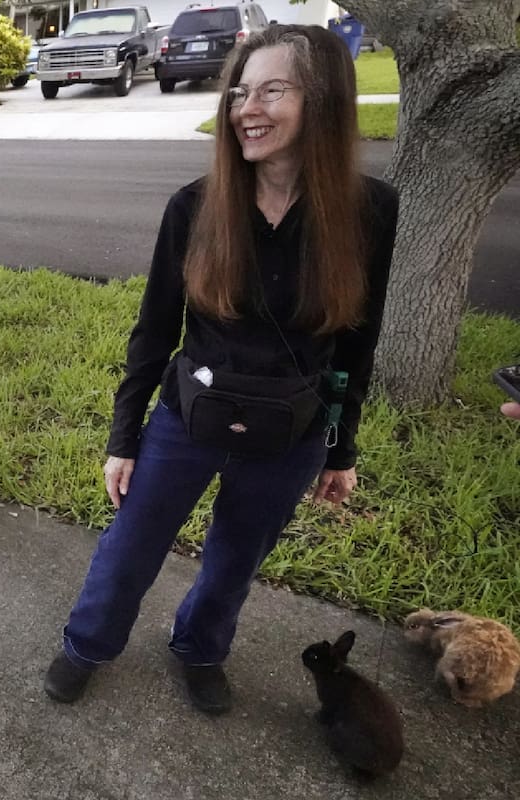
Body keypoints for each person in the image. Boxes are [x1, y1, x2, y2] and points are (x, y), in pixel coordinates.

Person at [43, 24, 399, 715]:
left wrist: (340, 449)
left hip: (290, 431)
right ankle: (88, 643)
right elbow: (154, 330)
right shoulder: (196, 205)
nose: (246, 109)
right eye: (240, 92)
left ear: (323, 100)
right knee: (132, 545)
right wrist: (125, 437)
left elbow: (358, 343)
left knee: (236, 560)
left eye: (272, 90)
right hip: (189, 415)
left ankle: (200, 648)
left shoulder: (370, 211)